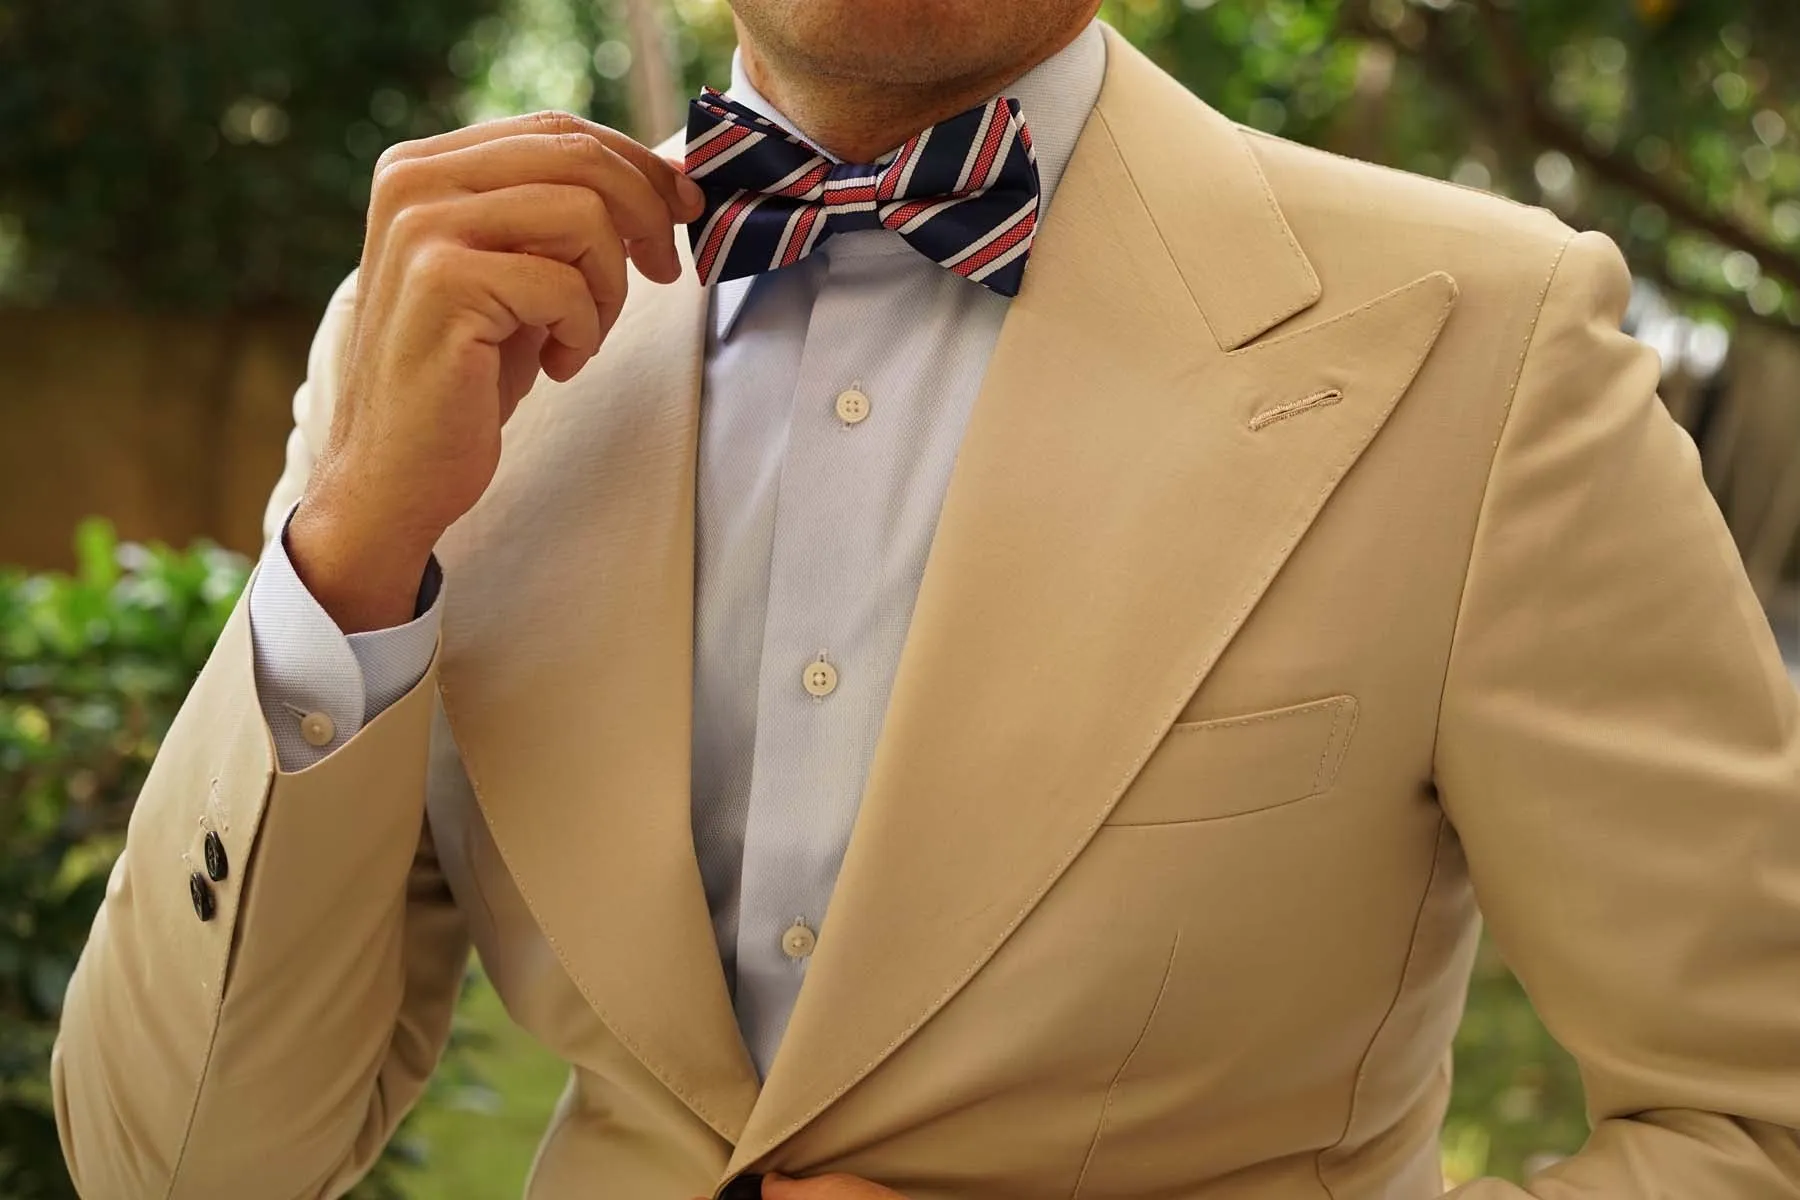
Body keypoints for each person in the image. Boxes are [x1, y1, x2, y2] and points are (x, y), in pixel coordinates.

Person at [51, 0, 1800, 1196]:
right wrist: (348, 557)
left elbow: (1757, 1126)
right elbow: (182, 1167)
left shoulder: (1487, 346)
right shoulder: (441, 350)